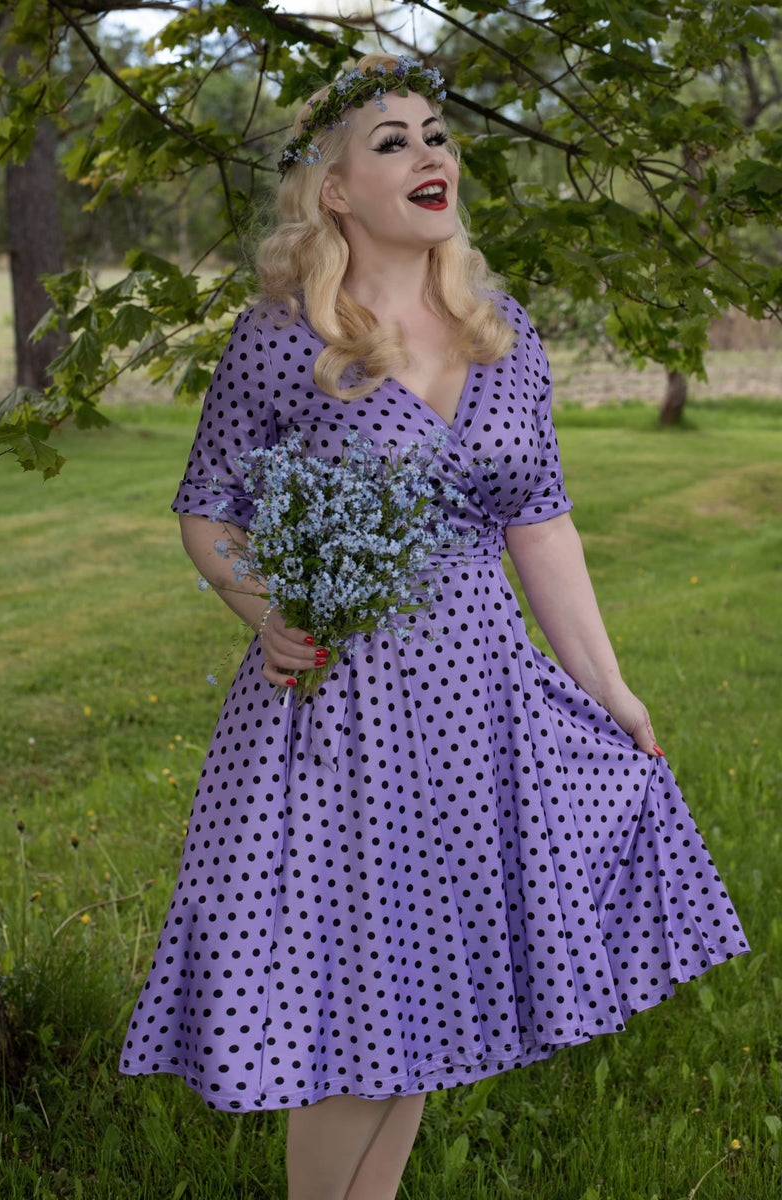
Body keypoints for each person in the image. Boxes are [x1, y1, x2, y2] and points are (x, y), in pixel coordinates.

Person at [120, 53, 748, 1200]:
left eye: (437, 135)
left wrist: (610, 689)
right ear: (335, 191)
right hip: (339, 712)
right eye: (393, 140)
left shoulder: (500, 330)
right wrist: (265, 615)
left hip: (480, 707)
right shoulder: (280, 338)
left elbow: (542, 529)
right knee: (356, 1008)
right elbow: (207, 514)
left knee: (427, 994)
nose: (429, 155)